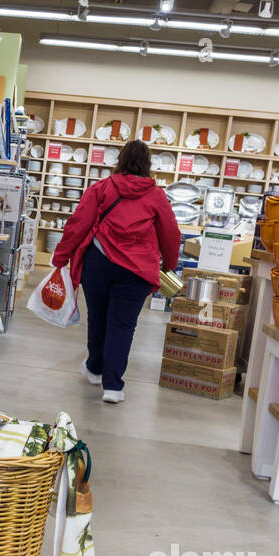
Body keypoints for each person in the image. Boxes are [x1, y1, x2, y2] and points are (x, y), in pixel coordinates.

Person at [50, 140, 181, 403]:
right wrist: (169, 263)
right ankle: (113, 387)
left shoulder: (101, 188)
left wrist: (60, 256)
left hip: (98, 263)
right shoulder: (156, 196)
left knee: (98, 319)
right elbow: (171, 234)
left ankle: (95, 369)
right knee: (122, 325)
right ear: (148, 164)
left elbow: (78, 224)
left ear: (120, 160)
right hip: (136, 270)